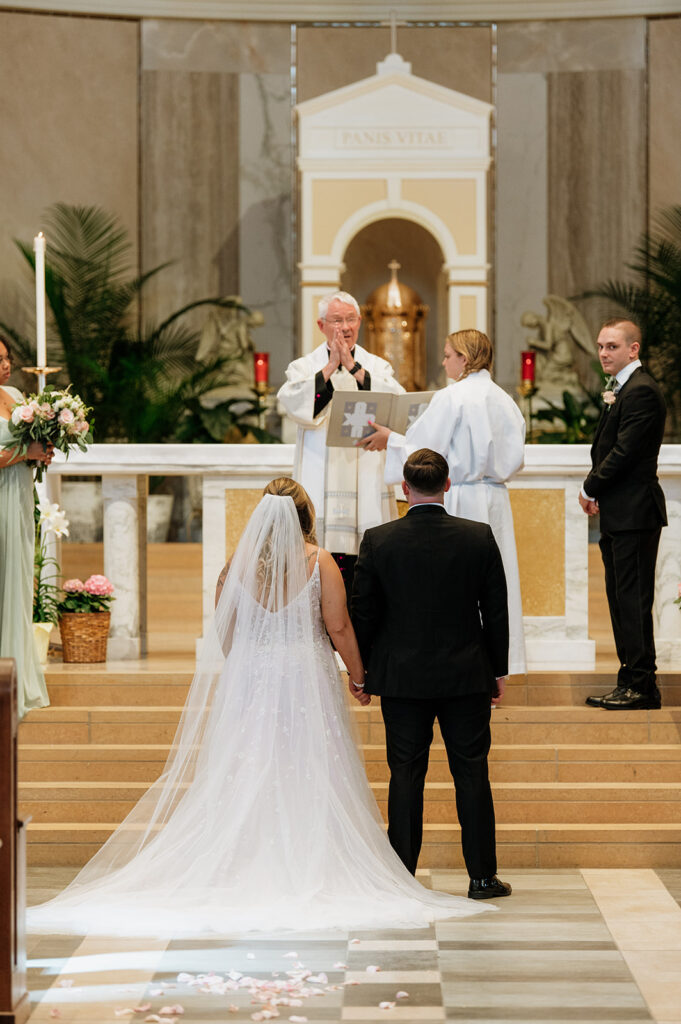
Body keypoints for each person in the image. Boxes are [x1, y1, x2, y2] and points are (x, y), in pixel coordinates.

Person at [28, 476, 491, 937]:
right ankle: (307, 863)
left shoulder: (234, 568)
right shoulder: (318, 562)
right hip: (304, 678)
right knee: (307, 765)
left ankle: (240, 861)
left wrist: (251, 666)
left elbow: (226, 633)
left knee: (246, 765)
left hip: (250, 677)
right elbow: (340, 627)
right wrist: (359, 676)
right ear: (307, 517)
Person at [351, 449, 512, 900]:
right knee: (472, 774)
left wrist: (360, 673)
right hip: (466, 676)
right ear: (446, 486)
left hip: (401, 679)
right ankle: (482, 878)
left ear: (404, 489)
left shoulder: (378, 540)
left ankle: (402, 877)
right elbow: (495, 612)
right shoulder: (477, 537)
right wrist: (496, 671)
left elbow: (363, 613)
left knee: (405, 775)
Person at [358, 329, 527, 676]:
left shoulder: (454, 397)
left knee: (456, 583)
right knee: (494, 583)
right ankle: (496, 665)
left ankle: (456, 661)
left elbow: (425, 452)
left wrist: (390, 439)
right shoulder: (503, 398)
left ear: (464, 359)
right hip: (494, 497)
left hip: (461, 496)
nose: (444, 360)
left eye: (449, 354)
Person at [277, 291, 404, 600]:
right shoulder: (304, 368)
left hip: (367, 476)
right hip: (321, 471)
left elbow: (395, 403)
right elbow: (292, 402)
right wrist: (331, 367)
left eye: (350, 319)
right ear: (321, 325)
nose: (345, 327)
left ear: (360, 322)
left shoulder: (376, 366)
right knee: (323, 562)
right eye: (337, 320)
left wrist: (353, 367)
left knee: (369, 564)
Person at [580, 319, 667, 710]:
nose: (603, 353)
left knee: (631, 600)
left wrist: (590, 487)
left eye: (612, 346)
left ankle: (642, 686)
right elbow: (608, 449)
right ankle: (630, 680)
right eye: (600, 346)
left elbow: (624, 452)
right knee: (620, 599)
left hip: (635, 512)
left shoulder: (642, 391)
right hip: (620, 512)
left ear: (633, 349)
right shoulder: (621, 389)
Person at [0, 335, 53, 719]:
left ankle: (16, 674)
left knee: (18, 580)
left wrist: (43, 452)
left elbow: (28, 447)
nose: (5, 365)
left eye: (6, 358)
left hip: (17, 498)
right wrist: (24, 452)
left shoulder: (16, 395)